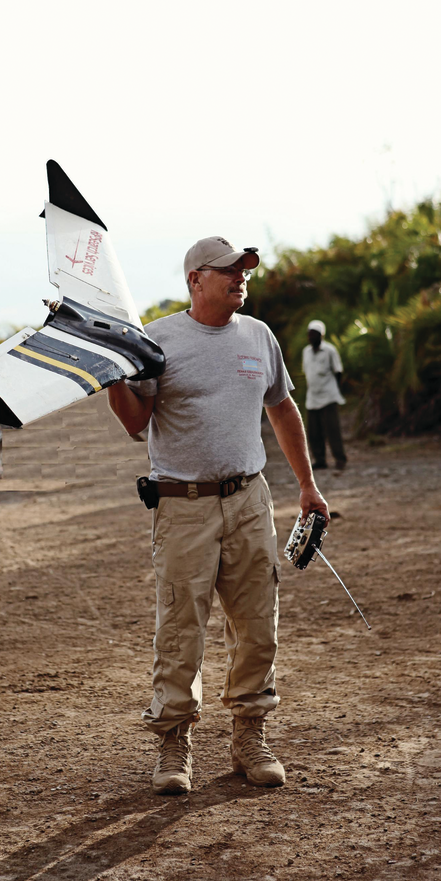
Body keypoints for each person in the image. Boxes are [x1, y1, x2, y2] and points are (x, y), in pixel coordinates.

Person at [108, 236, 329, 795]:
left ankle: (249, 738)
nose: (241, 277)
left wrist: (307, 485)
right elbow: (137, 421)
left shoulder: (259, 336)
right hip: (182, 504)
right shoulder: (157, 340)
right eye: (229, 270)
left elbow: (281, 408)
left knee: (258, 622)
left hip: (250, 498)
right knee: (181, 627)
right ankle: (173, 744)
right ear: (195, 280)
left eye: (245, 270)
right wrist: (112, 376)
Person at [302, 320, 347, 472]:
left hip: (329, 396)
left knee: (333, 430)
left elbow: (338, 371)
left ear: (321, 335)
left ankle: (340, 459)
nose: (310, 337)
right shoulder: (306, 352)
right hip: (312, 397)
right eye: (309, 334)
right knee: (314, 432)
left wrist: (336, 390)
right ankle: (320, 460)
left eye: (313, 334)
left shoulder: (329, 350)